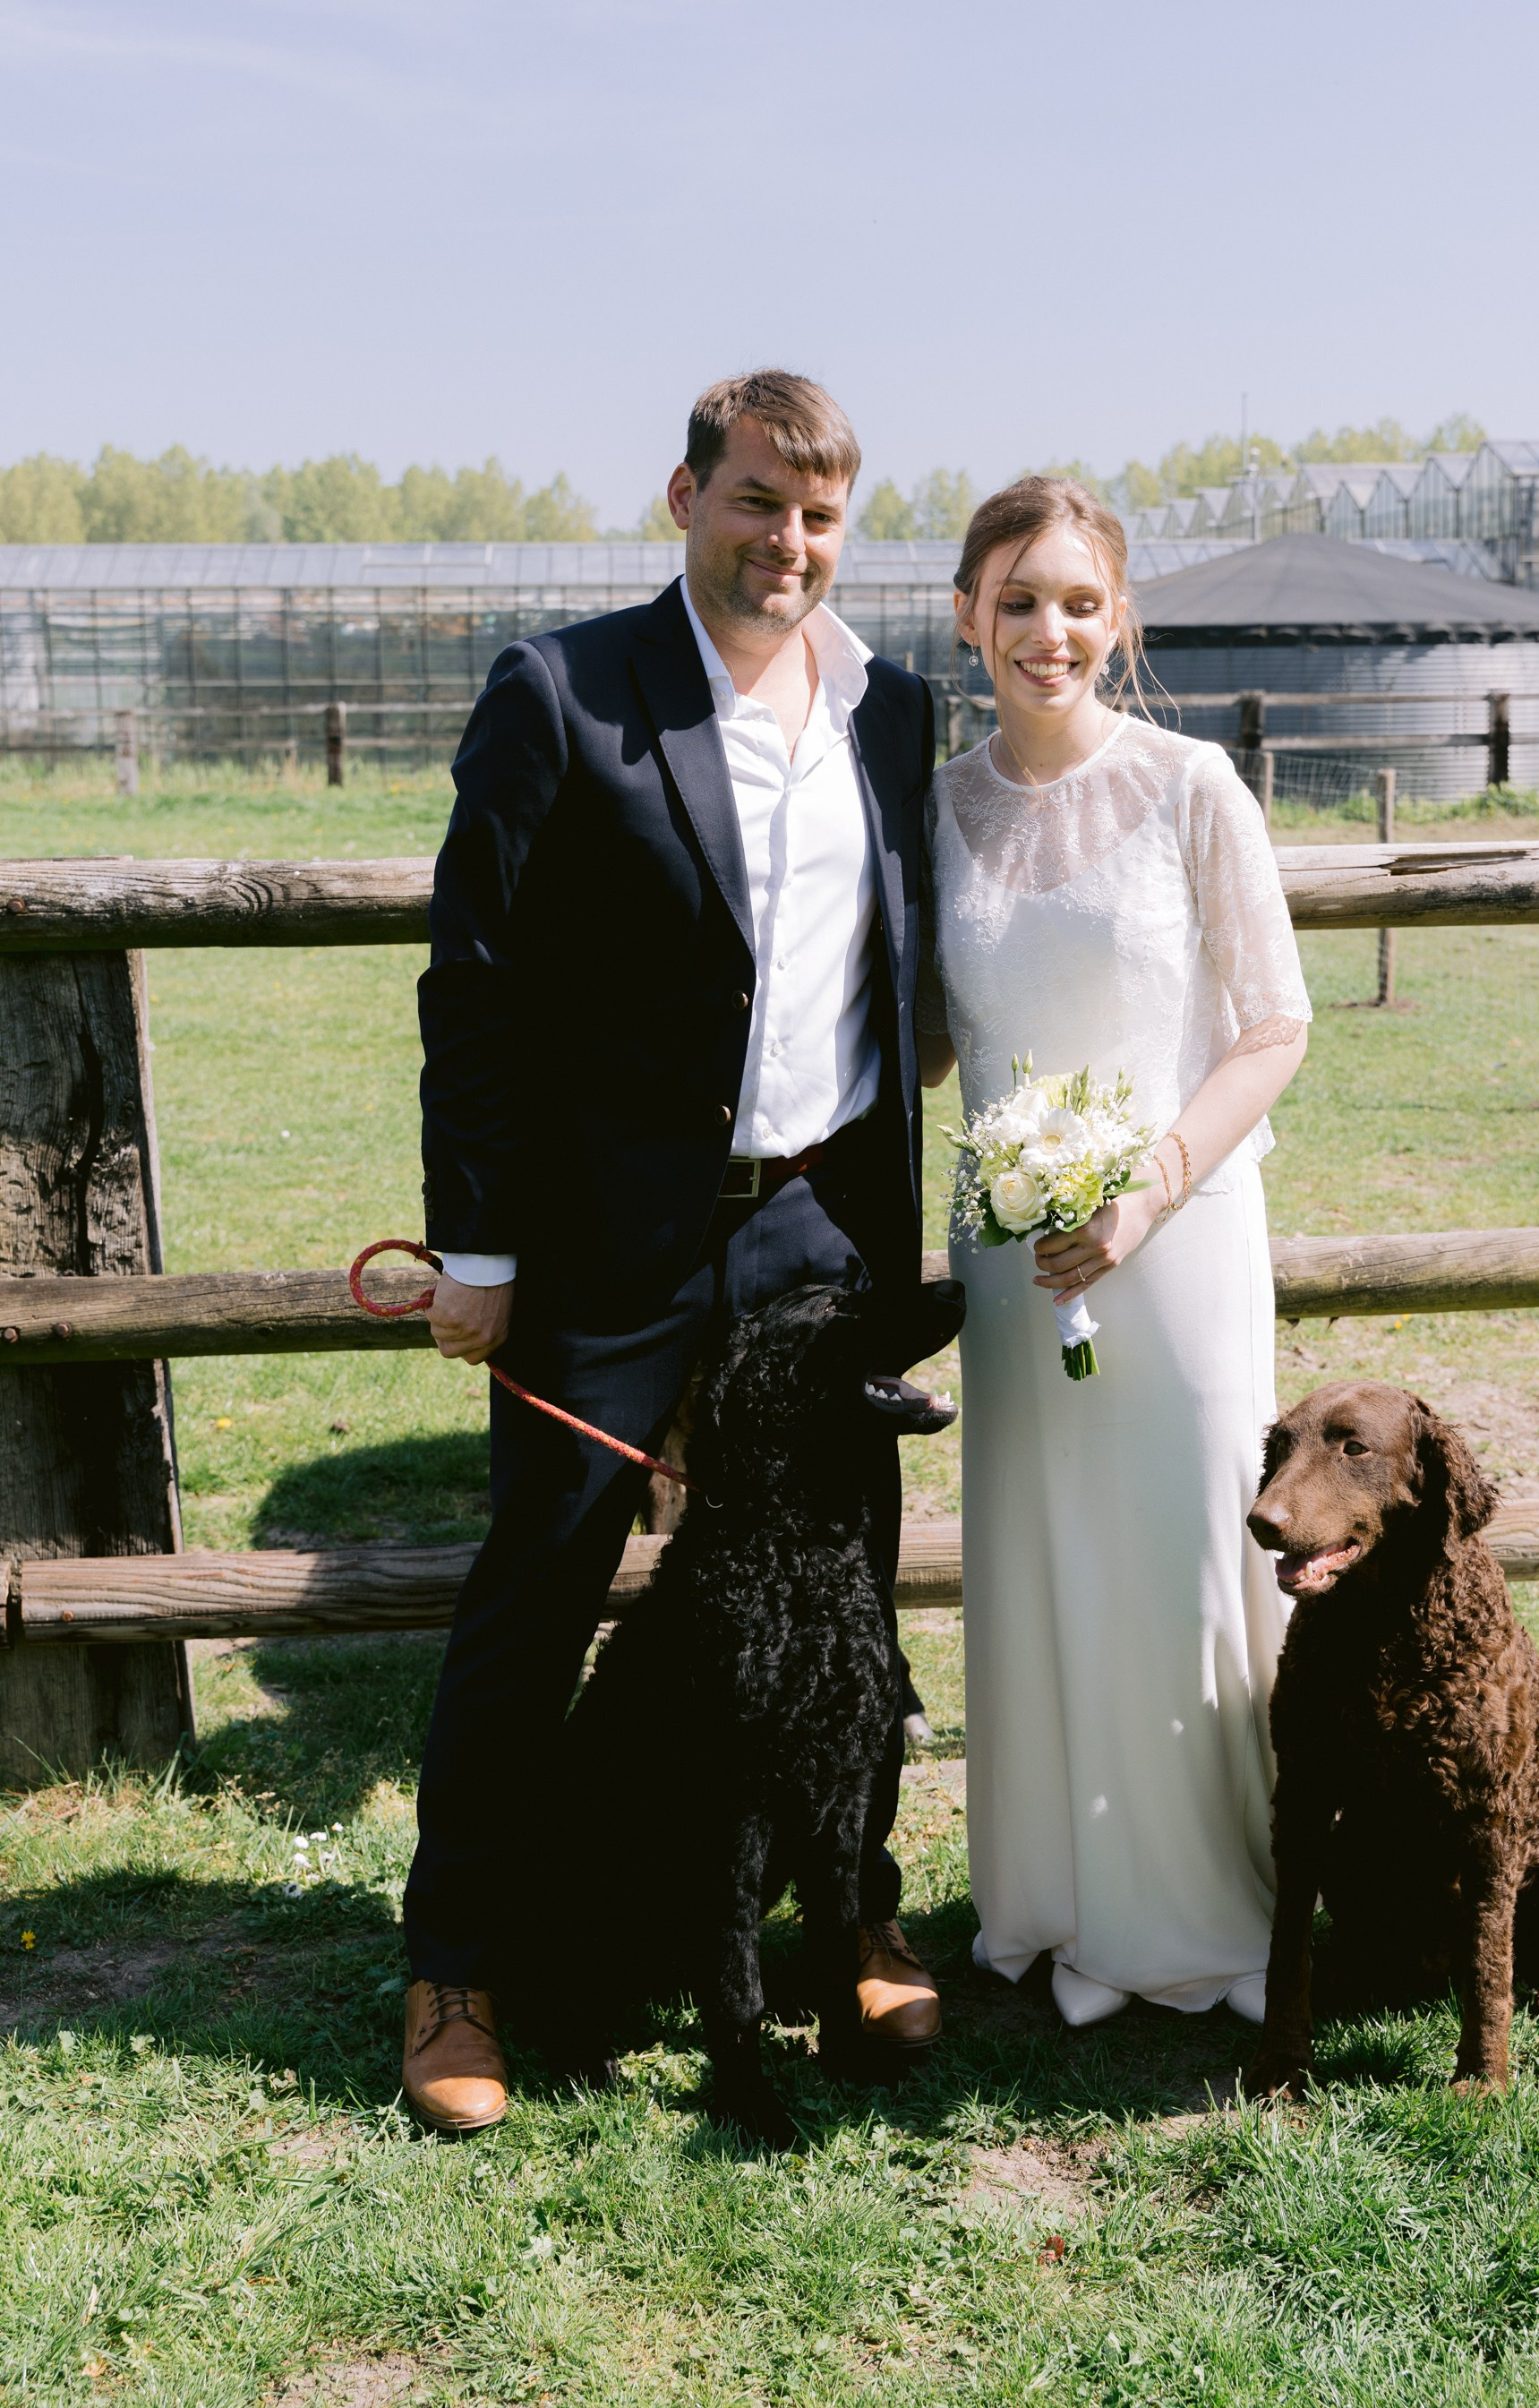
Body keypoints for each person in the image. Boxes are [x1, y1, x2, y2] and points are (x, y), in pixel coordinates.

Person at [401, 371, 944, 2130]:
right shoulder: (558, 692)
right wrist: (474, 1249)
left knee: (839, 1595)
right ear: (685, 496)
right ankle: (454, 1972)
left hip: (820, 1232)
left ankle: (855, 1915)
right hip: (602, 1252)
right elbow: (471, 989)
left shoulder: (894, 708)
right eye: (757, 502)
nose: (788, 542)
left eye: (818, 514)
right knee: (537, 1592)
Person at [917, 476, 1312, 2029]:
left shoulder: (1193, 782)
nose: (1048, 630)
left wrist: (1147, 1188)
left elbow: (1274, 1026)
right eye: (1017, 600)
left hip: (1178, 1239)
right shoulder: (937, 805)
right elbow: (925, 1039)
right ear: (966, 618)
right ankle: (1056, 1894)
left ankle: (1214, 1897)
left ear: (1120, 617)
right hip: (1015, 1267)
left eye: (1079, 600)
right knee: (1043, 1557)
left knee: (1183, 1554)